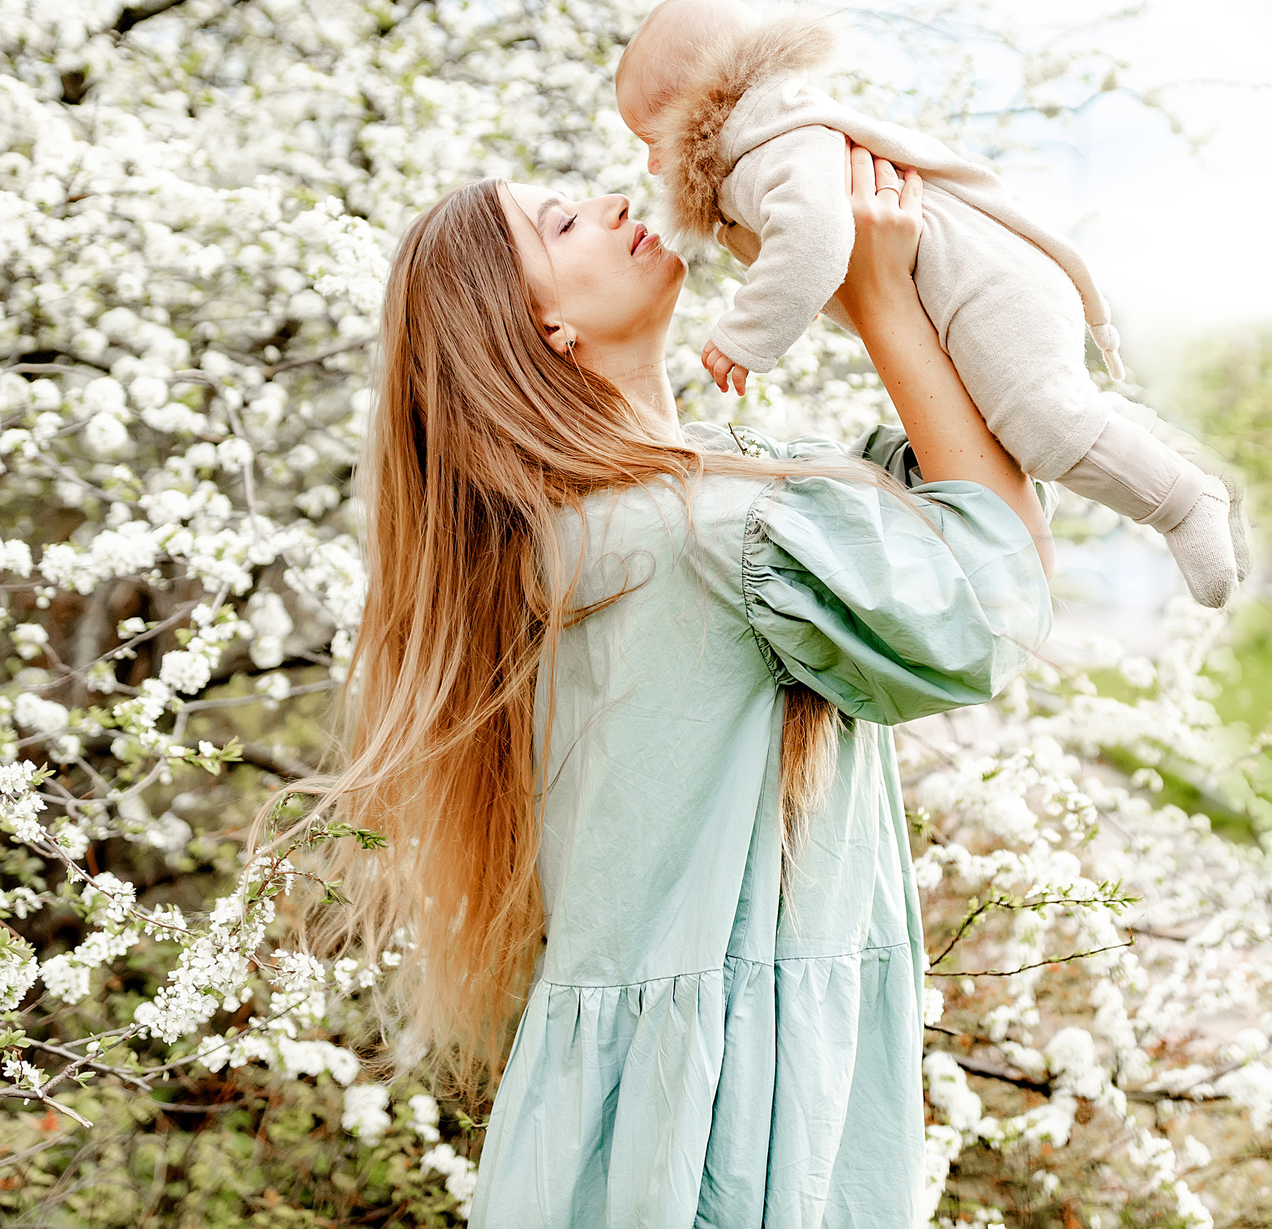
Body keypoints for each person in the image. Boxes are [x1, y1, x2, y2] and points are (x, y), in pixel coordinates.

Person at [265, 143, 1053, 1226]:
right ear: (545, 328)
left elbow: (959, 489)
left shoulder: (619, 522)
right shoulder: (708, 535)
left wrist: (828, 264)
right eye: (559, 224)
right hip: (730, 1121)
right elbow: (993, 598)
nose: (607, 203)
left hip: (657, 1113)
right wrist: (881, 307)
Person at [615, 0, 1247, 608]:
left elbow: (816, 237)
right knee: (1028, 417)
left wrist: (747, 334)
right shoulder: (776, 136)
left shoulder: (773, 145)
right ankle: (1168, 458)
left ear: (700, 103)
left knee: (1041, 427)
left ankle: (1184, 503)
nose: (651, 167)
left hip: (986, 285)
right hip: (978, 282)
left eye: (652, 140)